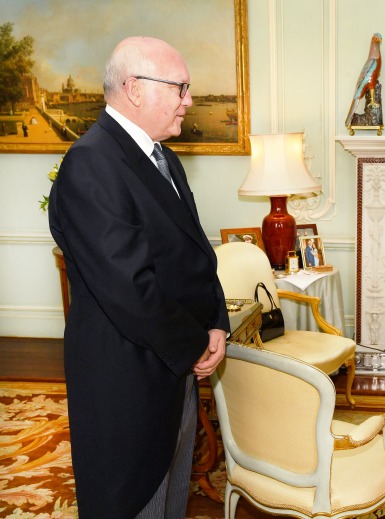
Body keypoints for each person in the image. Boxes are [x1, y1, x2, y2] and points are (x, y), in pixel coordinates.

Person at [48, 36, 230, 518]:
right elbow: (130, 289)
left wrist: (215, 322)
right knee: (135, 501)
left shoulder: (162, 157)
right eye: (181, 87)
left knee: (171, 498)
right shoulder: (92, 163)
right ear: (134, 88)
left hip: (175, 367)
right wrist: (194, 343)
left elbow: (196, 254)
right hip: (128, 379)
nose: (189, 100)